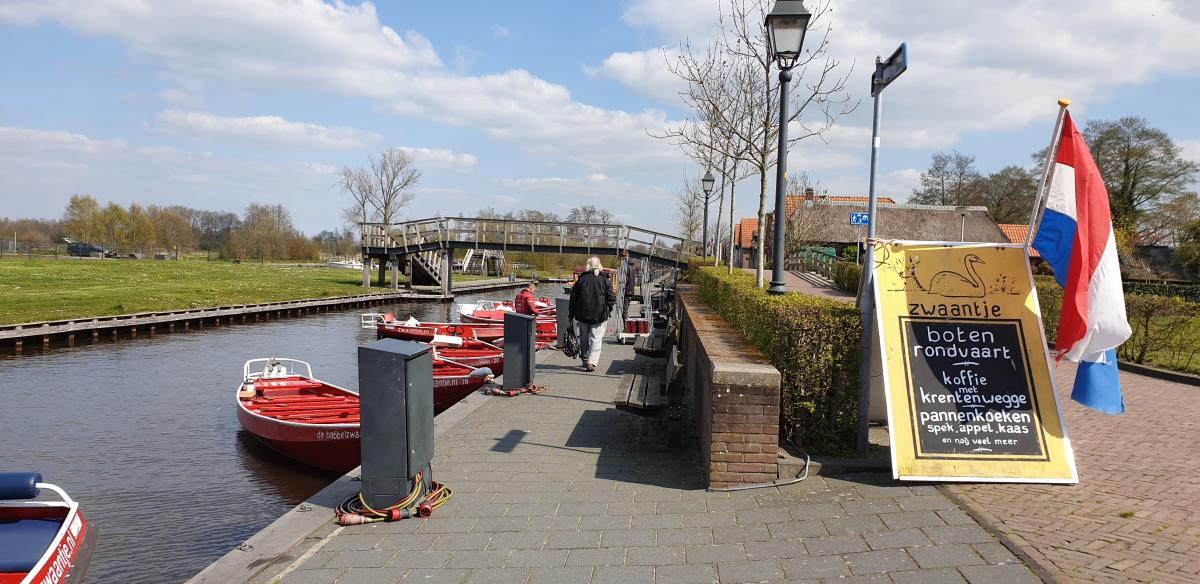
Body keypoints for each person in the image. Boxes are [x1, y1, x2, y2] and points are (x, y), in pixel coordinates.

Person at [569, 257, 615, 372]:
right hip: (599, 315)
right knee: (596, 339)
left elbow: (573, 299)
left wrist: (571, 314)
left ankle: (585, 360)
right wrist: (607, 310)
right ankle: (592, 362)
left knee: (583, 338)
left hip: (582, 315)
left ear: (588, 266)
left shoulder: (581, 280)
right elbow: (611, 298)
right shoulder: (604, 280)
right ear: (600, 265)